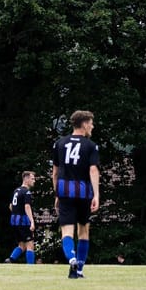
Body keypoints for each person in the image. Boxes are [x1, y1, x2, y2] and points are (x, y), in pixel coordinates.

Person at [52, 110, 101, 280]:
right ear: (85, 123)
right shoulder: (91, 145)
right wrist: (96, 195)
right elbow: (93, 170)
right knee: (83, 231)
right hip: (83, 192)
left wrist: (57, 193)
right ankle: (79, 268)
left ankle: (71, 259)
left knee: (66, 231)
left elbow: (55, 173)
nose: (92, 126)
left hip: (64, 191)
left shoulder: (59, 143)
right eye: (91, 123)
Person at [6, 170, 38, 264]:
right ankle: (30, 267)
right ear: (26, 179)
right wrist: (32, 221)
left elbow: (11, 206)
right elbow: (27, 206)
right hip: (23, 221)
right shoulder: (26, 192)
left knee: (22, 245)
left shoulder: (16, 190)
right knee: (30, 245)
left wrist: (16, 213)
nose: (34, 181)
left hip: (14, 221)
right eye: (32, 179)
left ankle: (10, 260)